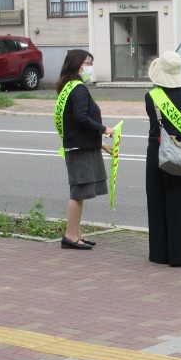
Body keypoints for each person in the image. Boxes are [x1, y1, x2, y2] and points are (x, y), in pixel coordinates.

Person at [145, 51, 181, 267]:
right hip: (179, 155)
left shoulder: (150, 97)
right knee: (177, 205)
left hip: (155, 153)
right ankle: (177, 257)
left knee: (156, 203)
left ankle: (158, 253)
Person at [54, 50, 114, 250]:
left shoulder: (68, 87)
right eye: (87, 63)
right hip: (79, 147)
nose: (90, 67)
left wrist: (100, 144)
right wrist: (103, 129)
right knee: (78, 192)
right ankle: (70, 236)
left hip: (78, 144)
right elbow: (80, 117)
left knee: (80, 192)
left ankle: (77, 233)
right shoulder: (78, 89)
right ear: (77, 64)